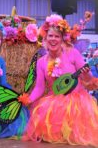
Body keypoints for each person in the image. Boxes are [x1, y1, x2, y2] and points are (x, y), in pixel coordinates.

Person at [19, 14, 98, 147]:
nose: (53, 39)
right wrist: (28, 100)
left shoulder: (72, 53)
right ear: (45, 38)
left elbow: (88, 78)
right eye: (50, 36)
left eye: (57, 36)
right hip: (53, 104)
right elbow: (39, 88)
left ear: (62, 39)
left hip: (77, 104)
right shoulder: (41, 62)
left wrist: (86, 75)